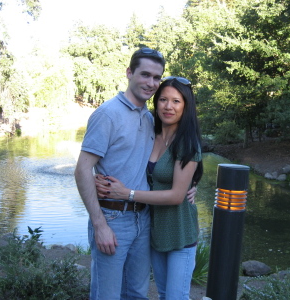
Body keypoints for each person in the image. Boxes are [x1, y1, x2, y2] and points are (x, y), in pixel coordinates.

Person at [74, 48, 196, 300]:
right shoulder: (108, 114)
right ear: (129, 73)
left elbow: (167, 162)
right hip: (113, 217)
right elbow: (83, 169)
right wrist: (100, 225)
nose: (151, 83)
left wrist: (189, 185)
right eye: (145, 75)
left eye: (156, 77)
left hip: (144, 220)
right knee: (106, 294)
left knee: (137, 293)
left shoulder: (150, 118)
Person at [95, 76, 203, 300]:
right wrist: (98, 177)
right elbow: (125, 161)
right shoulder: (150, 134)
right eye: (163, 99)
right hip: (153, 231)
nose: (168, 106)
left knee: (176, 297)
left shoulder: (187, 143)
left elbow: (176, 196)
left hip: (180, 232)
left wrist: (127, 194)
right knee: (163, 294)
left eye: (176, 101)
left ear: (186, 106)